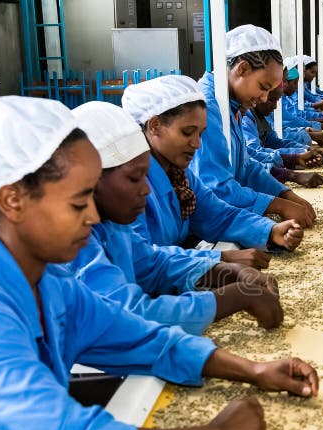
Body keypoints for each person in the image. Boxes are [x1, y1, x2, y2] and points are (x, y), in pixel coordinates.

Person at [0, 96, 319, 430]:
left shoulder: (49, 281)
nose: (92, 216)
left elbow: (143, 338)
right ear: (12, 201)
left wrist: (253, 370)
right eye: (78, 202)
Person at [69, 101, 285, 335]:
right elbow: (124, 316)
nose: (146, 189)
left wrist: (226, 271)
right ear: (91, 181)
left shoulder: (112, 226)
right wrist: (232, 297)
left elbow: (153, 264)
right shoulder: (76, 243)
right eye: (134, 179)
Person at [121, 75, 307, 254]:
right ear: (154, 125)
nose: (197, 144)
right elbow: (141, 258)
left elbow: (217, 216)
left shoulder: (181, 176)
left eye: (200, 134)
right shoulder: (130, 186)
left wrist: (270, 231)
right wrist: (215, 261)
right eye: (187, 132)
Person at [187, 25, 317, 227]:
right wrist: (276, 206)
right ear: (243, 69)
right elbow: (216, 187)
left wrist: (285, 194)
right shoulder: (207, 109)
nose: (264, 98)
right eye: (263, 87)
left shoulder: (230, 105)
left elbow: (244, 168)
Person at [243, 82, 323, 189]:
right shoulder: (245, 118)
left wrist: (305, 150)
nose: (275, 106)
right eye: (271, 100)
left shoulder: (261, 114)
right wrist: (321, 123)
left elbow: (273, 141)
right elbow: (252, 156)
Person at [283, 67, 323, 133]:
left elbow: (312, 97)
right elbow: (295, 118)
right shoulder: (281, 98)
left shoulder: (287, 95)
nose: (303, 75)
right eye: (303, 71)